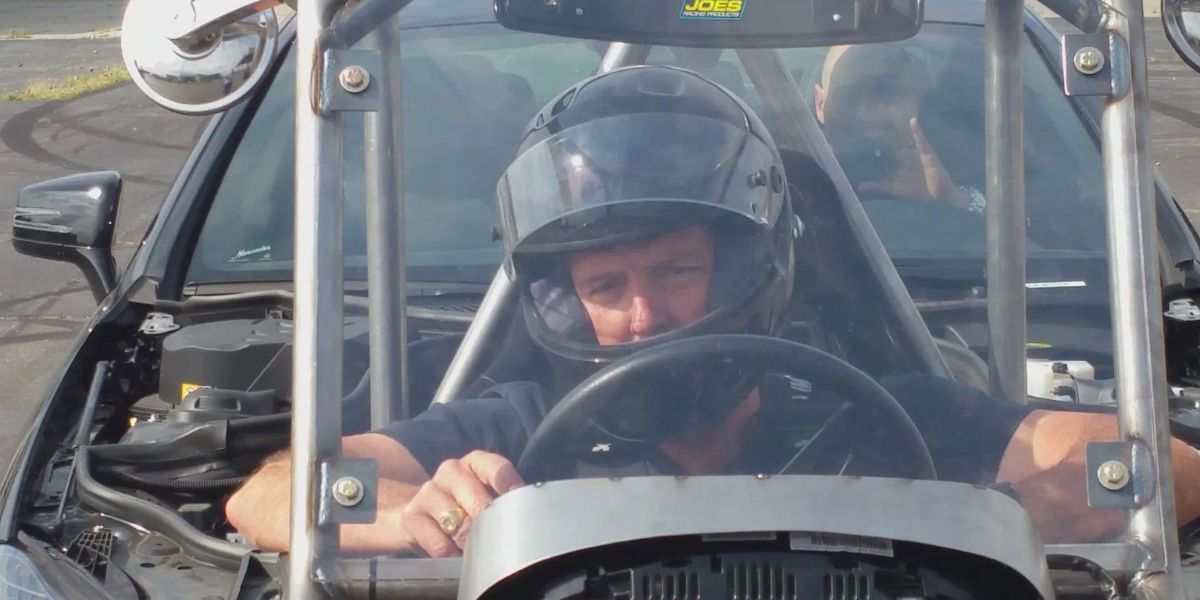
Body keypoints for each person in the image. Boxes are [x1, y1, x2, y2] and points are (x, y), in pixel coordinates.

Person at [226, 64, 1200, 557]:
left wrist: (994, 518)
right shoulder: (510, 427)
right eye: (607, 286)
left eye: (677, 271)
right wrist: (411, 515)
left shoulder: (881, 412)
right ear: (564, 301)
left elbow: (1164, 466)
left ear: (745, 267)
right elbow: (266, 494)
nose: (644, 312)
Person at [813, 44, 986, 213]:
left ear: (918, 100)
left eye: (886, 93)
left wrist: (953, 201)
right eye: (850, 96)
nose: (872, 114)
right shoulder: (794, 174)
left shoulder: (968, 159)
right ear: (820, 104)